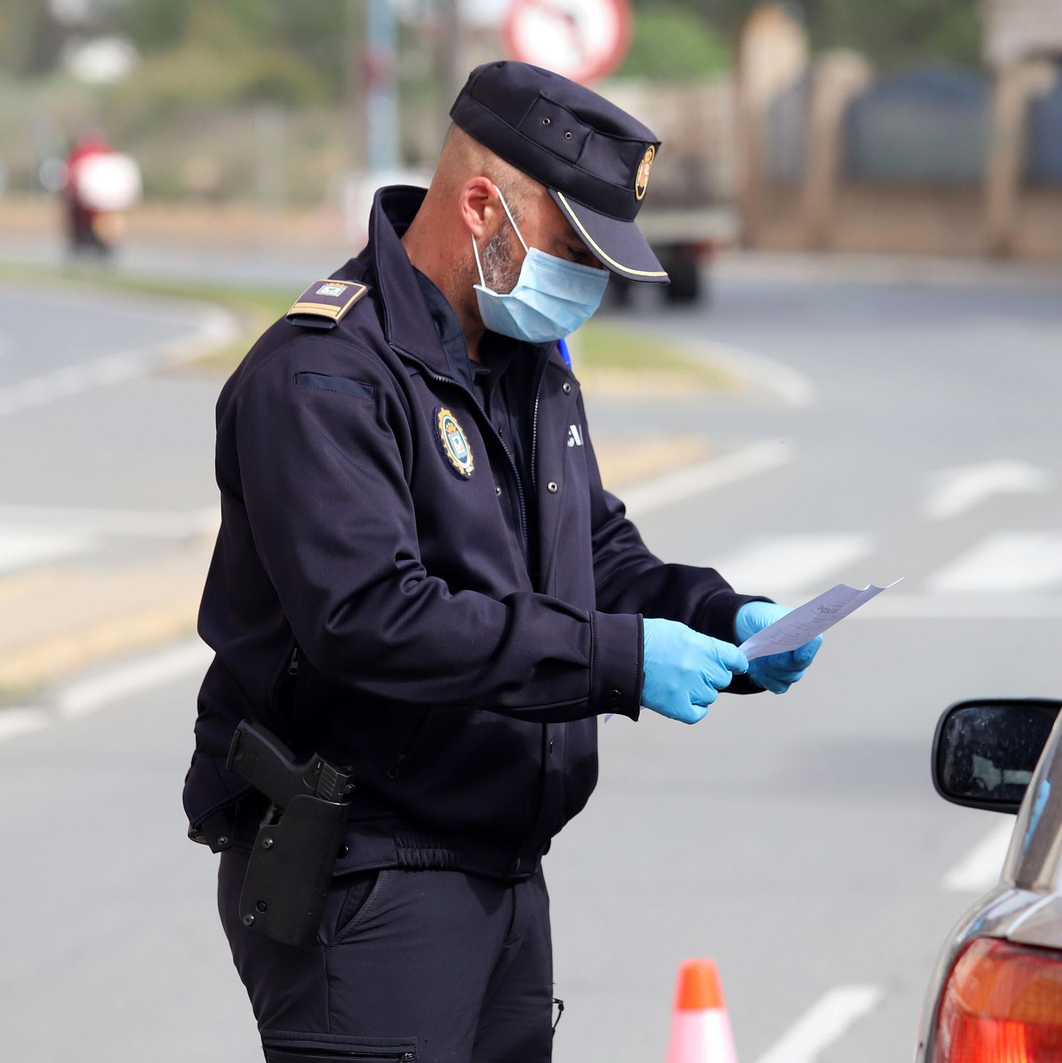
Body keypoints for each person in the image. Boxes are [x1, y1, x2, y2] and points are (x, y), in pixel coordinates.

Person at [182, 61, 822, 1062]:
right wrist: (617, 660)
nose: (590, 282)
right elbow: (371, 617)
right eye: (573, 247)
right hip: (367, 864)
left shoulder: (526, 366)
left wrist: (719, 617)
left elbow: (593, 552)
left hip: (502, 859)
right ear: (482, 205)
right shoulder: (323, 376)